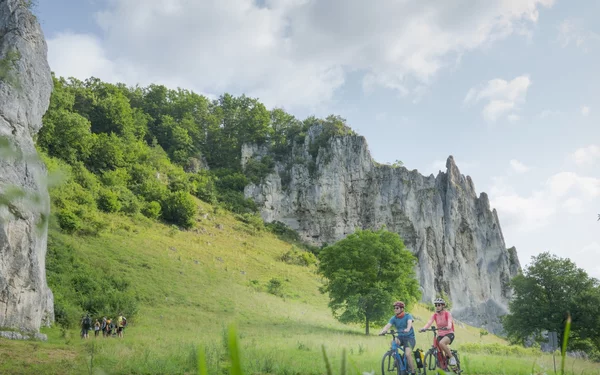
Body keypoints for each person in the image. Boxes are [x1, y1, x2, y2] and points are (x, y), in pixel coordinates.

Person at [379, 301, 417, 375]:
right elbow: (388, 325)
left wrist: (408, 329)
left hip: (409, 338)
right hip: (400, 337)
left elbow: (409, 323)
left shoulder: (408, 316)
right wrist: (383, 331)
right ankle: (398, 359)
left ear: (402, 309)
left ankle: (413, 371)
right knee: (393, 342)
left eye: (397, 308)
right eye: (394, 308)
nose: (395, 309)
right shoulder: (394, 318)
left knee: (407, 354)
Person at [420, 298, 456, 368]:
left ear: (443, 306)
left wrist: (448, 327)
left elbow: (449, 323)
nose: (437, 306)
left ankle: (452, 358)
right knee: (437, 348)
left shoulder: (447, 314)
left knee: (441, 343)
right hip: (440, 335)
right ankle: (443, 365)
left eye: (439, 305)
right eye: (436, 305)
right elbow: (429, 322)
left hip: (449, 333)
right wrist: (424, 328)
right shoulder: (435, 315)